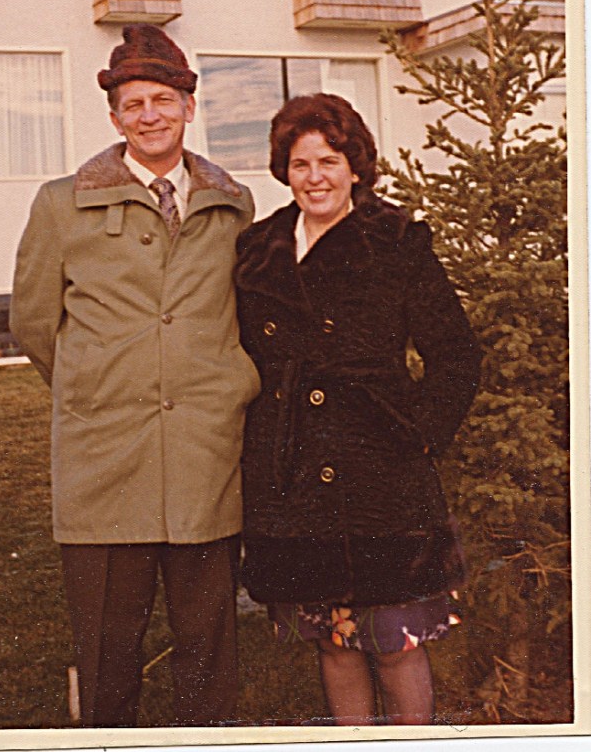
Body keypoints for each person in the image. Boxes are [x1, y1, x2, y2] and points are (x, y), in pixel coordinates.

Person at [9, 23, 260, 728]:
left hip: (204, 457)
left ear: (188, 103)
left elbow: (243, 316)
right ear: (114, 116)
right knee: (107, 651)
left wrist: (214, 390)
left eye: (161, 98)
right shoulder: (62, 204)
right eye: (131, 104)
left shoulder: (231, 203)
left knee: (207, 648)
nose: (148, 114)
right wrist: (100, 388)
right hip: (103, 462)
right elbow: (34, 324)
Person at [234, 93, 480, 726]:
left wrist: (419, 434)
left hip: (382, 477)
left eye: (329, 161)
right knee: (333, 642)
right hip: (294, 480)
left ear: (356, 167)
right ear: (283, 172)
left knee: (396, 642)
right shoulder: (259, 250)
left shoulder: (395, 241)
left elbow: (454, 353)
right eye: (299, 163)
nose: (315, 177)